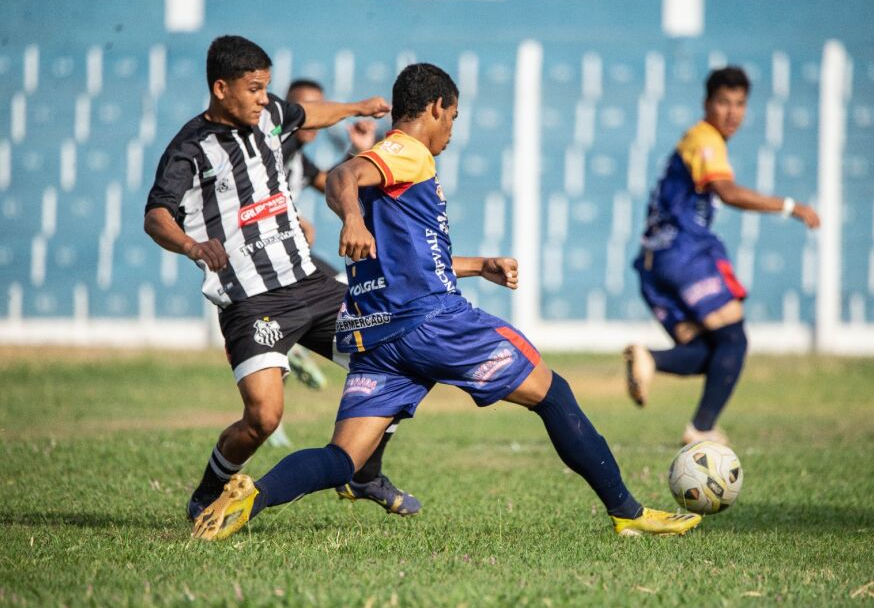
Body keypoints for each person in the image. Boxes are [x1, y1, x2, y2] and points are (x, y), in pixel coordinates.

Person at [191, 62, 702, 541]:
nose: (452, 130)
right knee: (554, 393)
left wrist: (479, 265)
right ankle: (629, 514)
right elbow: (343, 179)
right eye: (453, 117)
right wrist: (349, 219)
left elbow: (405, 250)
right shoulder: (407, 152)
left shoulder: (385, 170)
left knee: (343, 459)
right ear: (435, 107)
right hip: (432, 324)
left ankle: (249, 499)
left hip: (379, 337)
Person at [144, 35, 420, 521]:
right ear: (221, 87)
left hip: (310, 282)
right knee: (264, 417)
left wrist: (360, 106)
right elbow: (156, 215)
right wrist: (191, 245)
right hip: (252, 300)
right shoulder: (191, 148)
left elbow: (309, 114)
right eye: (253, 89)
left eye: (265, 88)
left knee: (391, 356)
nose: (261, 98)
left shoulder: (270, 115)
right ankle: (208, 491)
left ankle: (364, 472)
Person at [623, 66, 821, 446]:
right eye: (724, 103)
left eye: (740, 104)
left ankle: (650, 359)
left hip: (653, 264)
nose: (732, 113)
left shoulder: (695, 140)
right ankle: (701, 430)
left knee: (705, 351)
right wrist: (790, 206)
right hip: (685, 254)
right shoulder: (706, 140)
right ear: (707, 104)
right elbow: (726, 192)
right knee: (733, 341)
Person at [280, 78, 378, 393]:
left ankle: (291, 340)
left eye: (320, 107)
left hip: (289, 255)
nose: (316, 115)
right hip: (266, 259)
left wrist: (355, 152)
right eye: (307, 108)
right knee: (348, 294)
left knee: (347, 288)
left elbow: (329, 182)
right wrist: (293, 218)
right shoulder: (272, 148)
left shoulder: (296, 155)